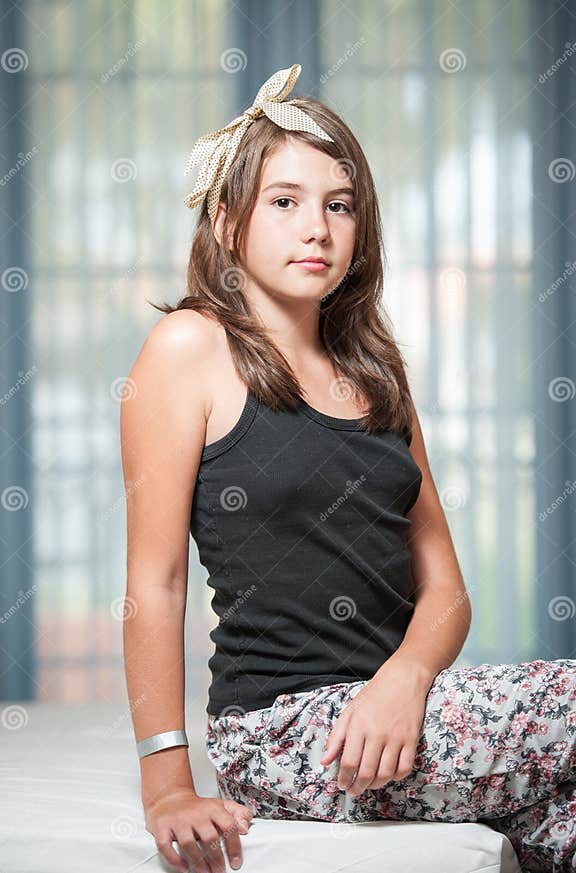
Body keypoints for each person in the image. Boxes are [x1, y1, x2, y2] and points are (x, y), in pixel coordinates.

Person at [121, 63, 576, 873]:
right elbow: (155, 583)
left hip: (398, 711)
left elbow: (448, 590)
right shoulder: (187, 349)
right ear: (227, 222)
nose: (317, 229)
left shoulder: (377, 373)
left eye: (339, 205)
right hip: (285, 731)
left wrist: (404, 679)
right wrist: (167, 784)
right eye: (285, 201)